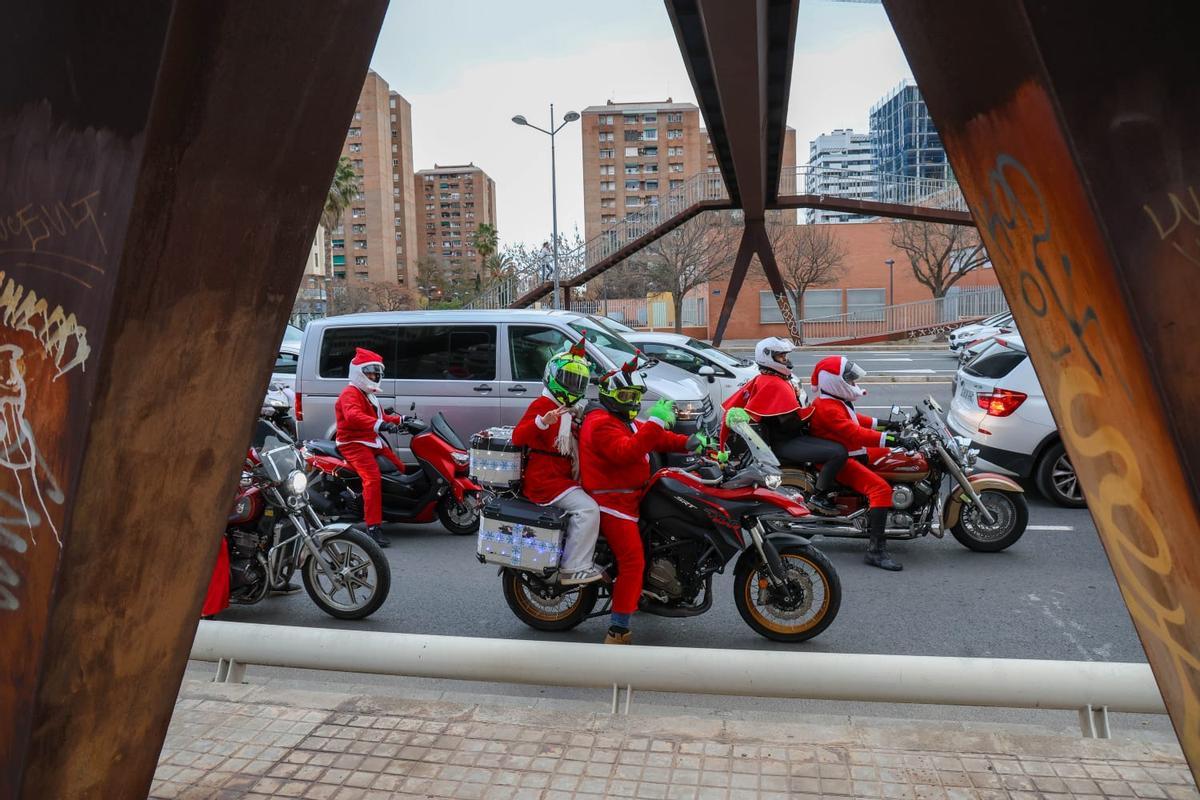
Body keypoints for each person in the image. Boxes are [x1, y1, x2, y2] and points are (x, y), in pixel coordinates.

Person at [579, 358, 710, 645]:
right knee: (632, 561)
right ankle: (618, 629)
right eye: (625, 395)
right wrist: (656, 421)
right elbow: (627, 451)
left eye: (635, 396)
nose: (632, 401)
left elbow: (652, 438)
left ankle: (648, 589)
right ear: (609, 396)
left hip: (633, 494)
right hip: (613, 502)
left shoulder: (621, 420)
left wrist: (689, 442)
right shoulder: (600, 423)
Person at [808, 355, 918, 571]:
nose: (852, 382)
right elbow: (856, 433)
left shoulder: (834, 401)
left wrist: (890, 425)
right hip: (842, 459)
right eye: (848, 378)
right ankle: (876, 551)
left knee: (892, 456)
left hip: (851, 451)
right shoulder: (828, 407)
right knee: (881, 489)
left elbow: (857, 420)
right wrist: (896, 439)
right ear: (833, 380)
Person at [510, 342, 603, 586]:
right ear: (553, 377)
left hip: (561, 477)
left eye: (578, 382)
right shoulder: (543, 405)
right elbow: (518, 437)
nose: (573, 386)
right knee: (588, 509)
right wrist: (542, 422)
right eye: (568, 379)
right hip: (545, 479)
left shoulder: (572, 410)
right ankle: (574, 567)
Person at [721, 337, 847, 515]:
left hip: (786, 438)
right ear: (768, 357)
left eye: (785, 356)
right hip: (785, 442)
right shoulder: (773, 384)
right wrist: (815, 413)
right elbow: (789, 423)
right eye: (781, 356)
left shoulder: (771, 378)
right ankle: (819, 497)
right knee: (838, 452)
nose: (786, 360)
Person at [335, 347, 406, 549]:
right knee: (372, 479)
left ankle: (389, 508)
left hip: (371, 440)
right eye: (371, 373)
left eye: (376, 373)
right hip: (353, 443)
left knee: (399, 467)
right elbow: (353, 416)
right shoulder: (350, 393)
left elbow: (381, 417)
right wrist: (381, 425)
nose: (375, 376)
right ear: (359, 372)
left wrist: (402, 420)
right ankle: (373, 526)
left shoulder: (368, 394)